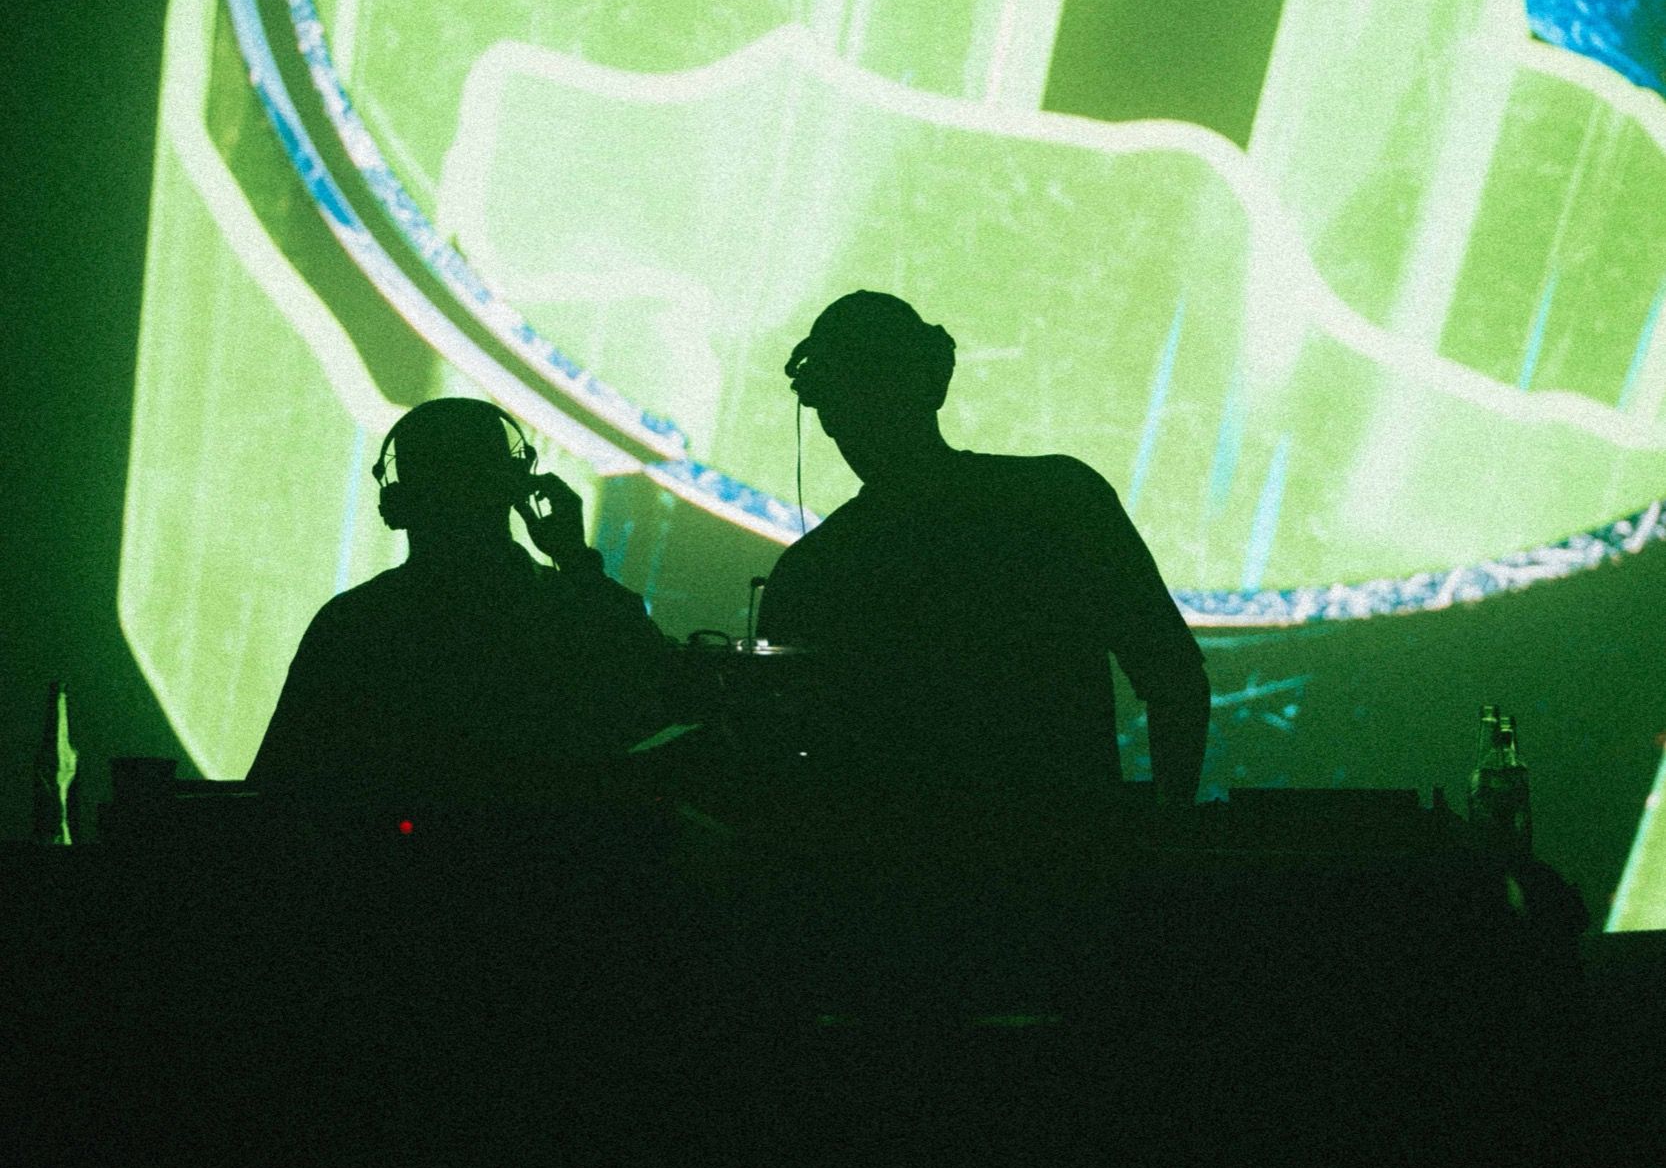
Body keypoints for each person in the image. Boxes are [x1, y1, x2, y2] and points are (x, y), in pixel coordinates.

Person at [757, 292, 1210, 823]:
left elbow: (786, 747)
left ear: (823, 409)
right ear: (934, 382)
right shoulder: (1062, 497)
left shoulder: (810, 570)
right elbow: (1175, 678)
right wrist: (1169, 830)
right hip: (1071, 858)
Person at [248, 398, 669, 809]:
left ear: (398, 502)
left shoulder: (352, 623)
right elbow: (662, 689)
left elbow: (275, 787)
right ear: (516, 486)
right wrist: (575, 559)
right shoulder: (572, 611)